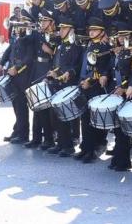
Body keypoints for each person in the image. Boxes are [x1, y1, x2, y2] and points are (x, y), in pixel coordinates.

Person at [76, 17, 113, 162]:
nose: (91, 32)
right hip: (85, 85)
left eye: (95, 30)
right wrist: (82, 81)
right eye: (90, 30)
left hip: (96, 87)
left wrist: (90, 81)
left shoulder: (105, 47)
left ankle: (93, 149)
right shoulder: (89, 46)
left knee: (94, 120)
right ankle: (85, 147)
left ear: (102, 31)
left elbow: (105, 70)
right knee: (84, 119)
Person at [46, 20, 81, 157]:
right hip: (57, 84)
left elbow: (77, 66)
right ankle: (60, 143)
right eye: (60, 28)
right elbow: (56, 64)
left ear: (71, 30)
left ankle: (68, 146)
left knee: (66, 117)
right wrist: (51, 73)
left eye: (64, 28)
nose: (60, 30)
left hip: (68, 84)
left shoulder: (76, 47)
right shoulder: (60, 46)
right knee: (56, 116)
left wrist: (69, 73)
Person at [0, 16, 34, 144]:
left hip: (23, 76)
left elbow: (29, 58)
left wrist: (17, 68)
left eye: (21, 25)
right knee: (15, 105)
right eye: (17, 25)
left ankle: (23, 134)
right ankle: (17, 131)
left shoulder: (29, 40)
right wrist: (1, 63)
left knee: (21, 106)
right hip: (13, 75)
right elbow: (8, 51)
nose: (17, 27)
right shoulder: (16, 38)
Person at [110, 21, 132, 171]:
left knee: (123, 129)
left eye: (125, 35)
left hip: (125, 92)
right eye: (120, 35)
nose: (121, 38)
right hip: (116, 91)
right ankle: (118, 157)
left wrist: (126, 88)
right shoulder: (119, 51)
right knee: (116, 128)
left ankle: (124, 160)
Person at [25, 10, 57, 149]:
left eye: (45, 21)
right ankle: (36, 138)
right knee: (36, 106)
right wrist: (26, 28)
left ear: (51, 22)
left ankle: (49, 139)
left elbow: (58, 56)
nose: (42, 23)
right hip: (37, 69)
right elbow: (25, 40)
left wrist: (49, 51)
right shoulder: (38, 34)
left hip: (47, 69)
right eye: (42, 21)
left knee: (46, 108)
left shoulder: (56, 36)